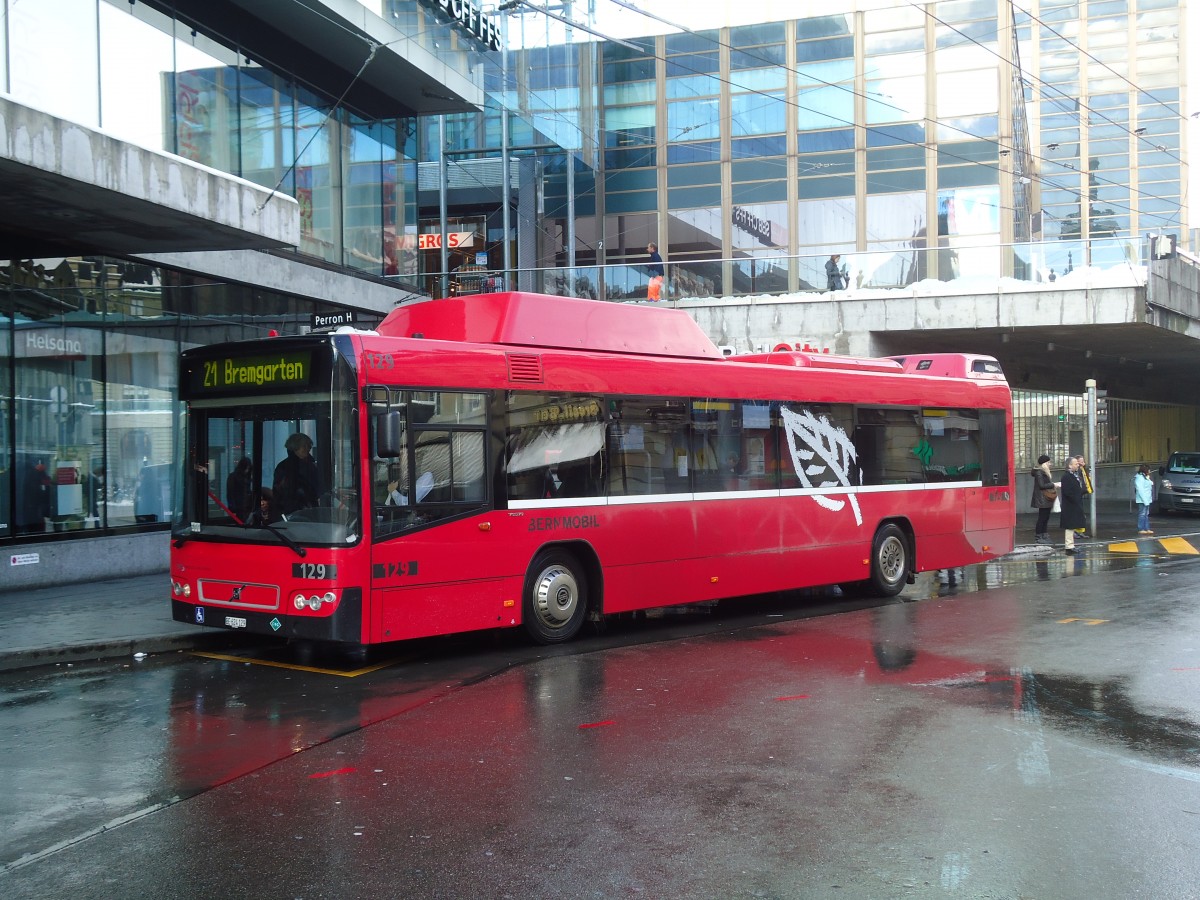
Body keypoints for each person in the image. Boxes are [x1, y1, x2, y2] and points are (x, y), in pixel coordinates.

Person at [272, 432, 321, 516]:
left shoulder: (312, 465)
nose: (308, 448)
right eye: (304, 446)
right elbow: (279, 492)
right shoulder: (284, 467)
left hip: (311, 510)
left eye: (309, 446)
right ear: (294, 447)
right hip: (291, 512)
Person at [1059, 455, 1086, 554]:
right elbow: (1067, 491)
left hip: (1074, 504)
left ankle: (1071, 546)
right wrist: (1076, 498)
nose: (1077, 465)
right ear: (1070, 465)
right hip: (1070, 505)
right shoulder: (1066, 476)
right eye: (1075, 463)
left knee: (1072, 525)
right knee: (1070, 526)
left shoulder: (1074, 475)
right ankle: (1069, 547)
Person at [1029, 453, 1056, 544]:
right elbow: (1042, 485)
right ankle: (1039, 536)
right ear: (1044, 463)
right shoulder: (1039, 472)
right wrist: (1054, 484)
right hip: (1042, 498)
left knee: (1046, 517)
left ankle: (1044, 534)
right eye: (1048, 462)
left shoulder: (1043, 472)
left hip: (1045, 498)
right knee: (1042, 518)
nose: (1050, 464)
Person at [225, 457, 253, 522]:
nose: (247, 470)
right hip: (238, 507)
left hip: (247, 506)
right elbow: (230, 494)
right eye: (246, 468)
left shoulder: (247, 477)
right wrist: (232, 509)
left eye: (248, 468)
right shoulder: (233, 476)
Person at [1134, 464, 1154, 534]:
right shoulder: (1139, 478)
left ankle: (1147, 528)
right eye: (1148, 470)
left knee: (1146, 514)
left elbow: (1151, 483)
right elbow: (1140, 490)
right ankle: (1141, 528)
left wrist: (1148, 479)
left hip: (1147, 499)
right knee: (1142, 514)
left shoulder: (1145, 477)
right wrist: (1145, 501)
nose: (1149, 471)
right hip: (1142, 500)